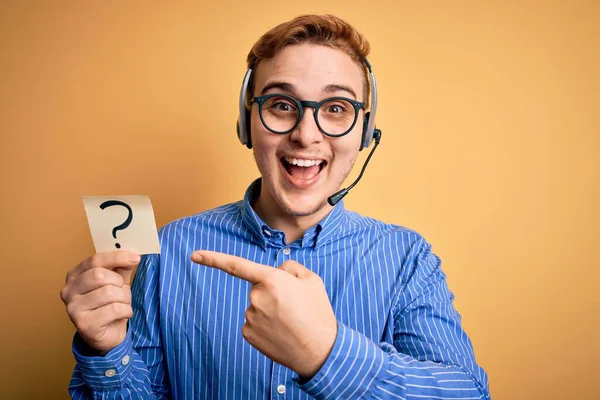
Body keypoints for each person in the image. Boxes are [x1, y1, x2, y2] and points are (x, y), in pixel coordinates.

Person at [61, 14, 491, 399]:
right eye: (282, 105)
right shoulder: (171, 248)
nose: (306, 135)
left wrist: (325, 354)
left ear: (364, 132)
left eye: (336, 108)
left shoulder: (406, 259)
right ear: (246, 121)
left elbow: (469, 394)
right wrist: (108, 352)